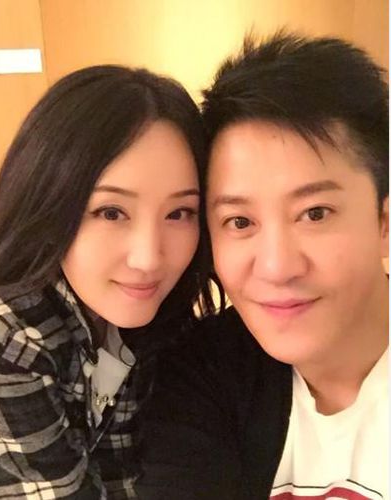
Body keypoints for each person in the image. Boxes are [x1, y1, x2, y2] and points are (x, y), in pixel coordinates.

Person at [135, 31, 389, 500]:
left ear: (384, 221)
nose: (276, 267)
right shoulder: (198, 376)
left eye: (315, 213)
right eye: (240, 221)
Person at [0, 65, 215, 499]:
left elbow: (122, 475)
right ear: (48, 202)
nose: (148, 258)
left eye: (179, 213)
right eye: (111, 212)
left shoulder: (130, 320)